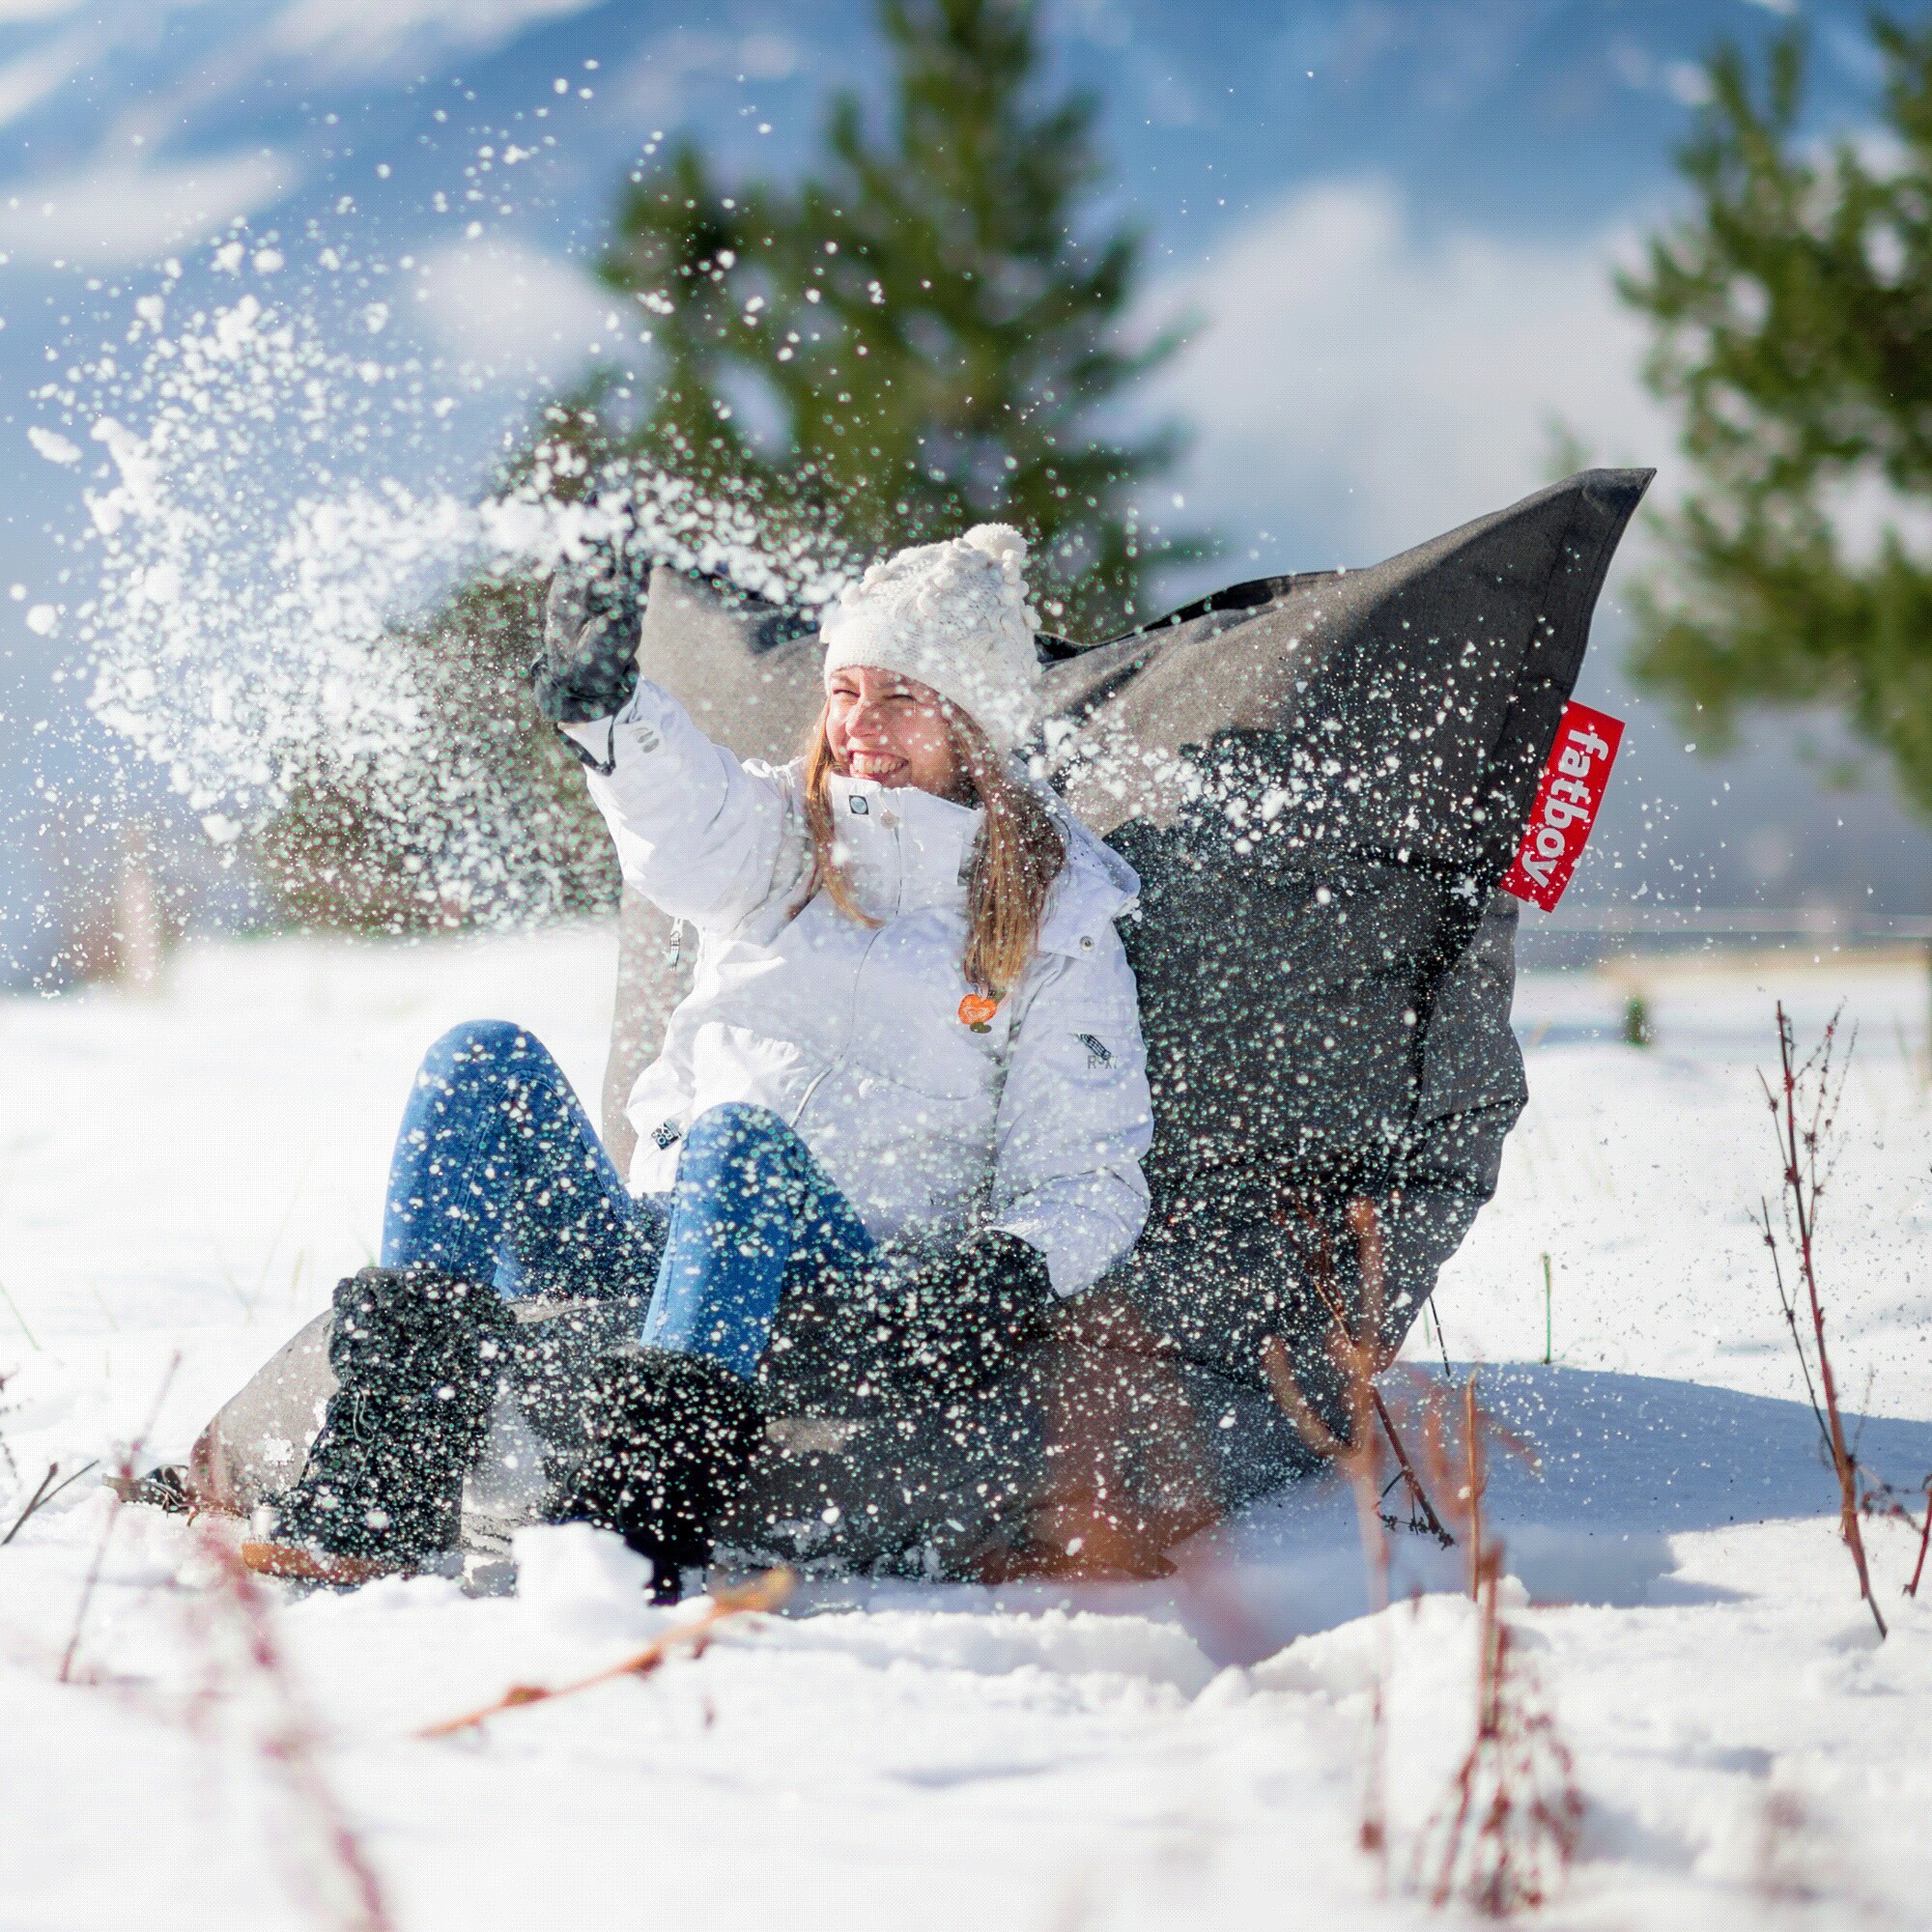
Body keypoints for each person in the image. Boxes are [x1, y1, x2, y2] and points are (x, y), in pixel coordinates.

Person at [247, 525, 1153, 1596]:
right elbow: (681, 813)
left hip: (840, 1280)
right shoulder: (781, 833)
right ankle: (384, 1477)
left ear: (972, 721)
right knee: (478, 1057)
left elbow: (1085, 1174)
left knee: (743, 1140)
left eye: (900, 696)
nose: (859, 726)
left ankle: (635, 1520)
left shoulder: (1059, 921)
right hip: (661, 1238)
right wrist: (606, 708)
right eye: (844, 690)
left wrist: (1006, 1267)